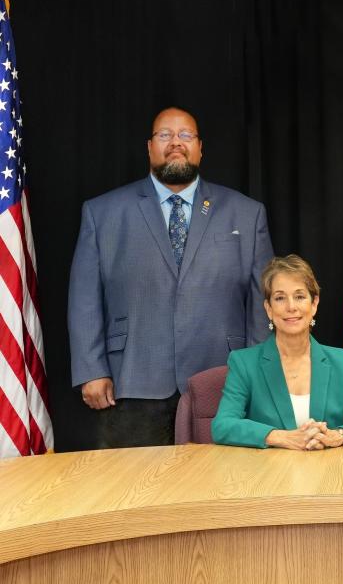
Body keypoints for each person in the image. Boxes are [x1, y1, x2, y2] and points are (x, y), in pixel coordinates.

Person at [68, 107, 274, 448]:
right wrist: (91, 369)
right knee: (135, 495)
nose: (175, 143)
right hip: (131, 381)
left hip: (222, 382)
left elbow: (261, 301)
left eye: (185, 135)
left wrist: (257, 374)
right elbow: (84, 299)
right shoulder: (102, 213)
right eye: (165, 135)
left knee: (217, 494)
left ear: (200, 147)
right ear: (149, 147)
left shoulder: (247, 213)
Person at [212, 255, 343, 449]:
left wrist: (339, 436)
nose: (291, 307)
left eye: (300, 296)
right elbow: (223, 426)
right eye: (280, 298)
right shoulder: (244, 363)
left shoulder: (341, 361)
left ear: (314, 304)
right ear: (268, 308)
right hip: (266, 474)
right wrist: (281, 437)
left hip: (331, 474)